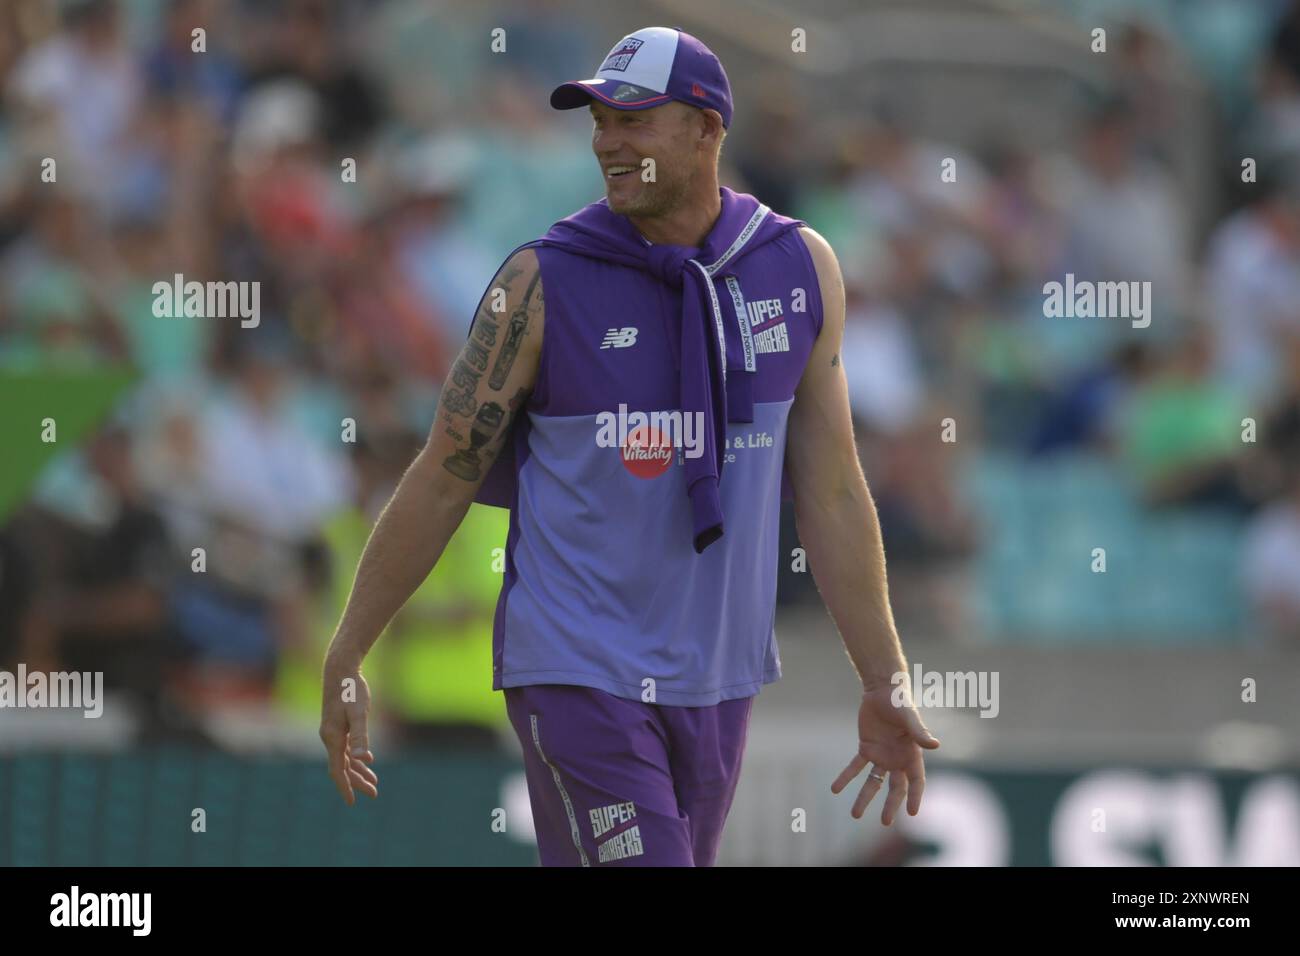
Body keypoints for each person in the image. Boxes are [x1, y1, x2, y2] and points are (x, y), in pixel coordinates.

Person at [320, 26, 938, 866]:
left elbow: (832, 489)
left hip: (718, 683)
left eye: (634, 121)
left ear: (707, 129)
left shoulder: (798, 269)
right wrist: (350, 647)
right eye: (600, 121)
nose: (609, 143)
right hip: (576, 671)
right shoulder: (538, 284)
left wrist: (883, 675)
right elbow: (442, 474)